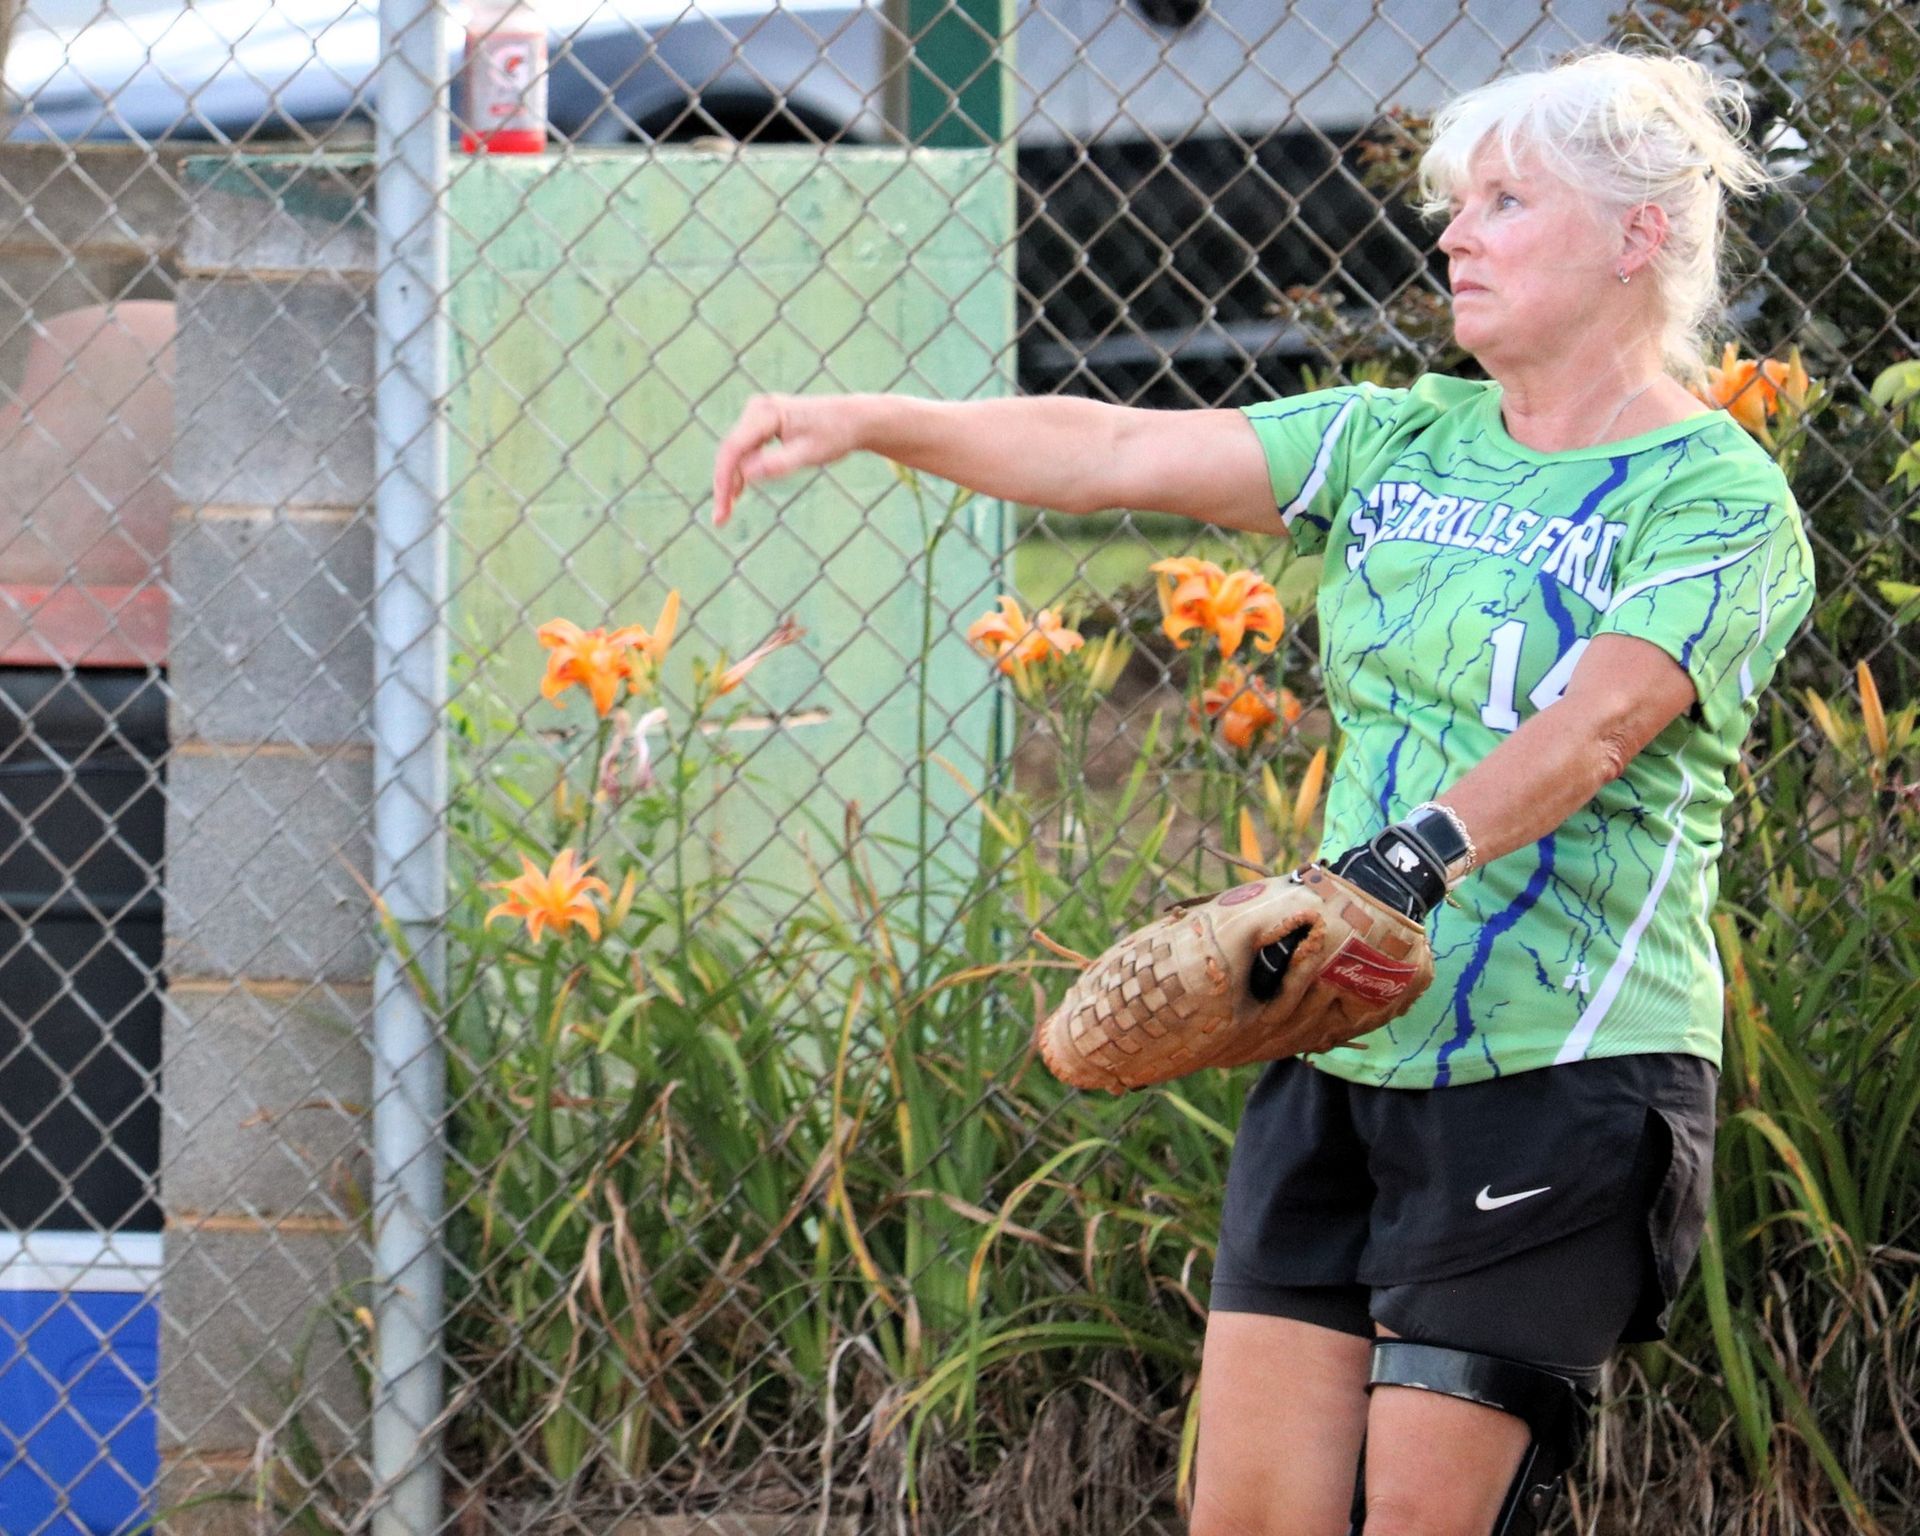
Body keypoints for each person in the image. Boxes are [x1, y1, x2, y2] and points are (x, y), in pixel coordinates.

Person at [712, 48, 1814, 1536]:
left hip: (1557, 1070)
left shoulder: (1716, 497)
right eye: (1454, 202)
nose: (1455, 232)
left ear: (1642, 235)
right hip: (1337, 1037)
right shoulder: (1396, 435)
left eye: (1505, 199)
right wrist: (871, 418)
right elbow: (1110, 450)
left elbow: (1605, 720)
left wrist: (1410, 861)